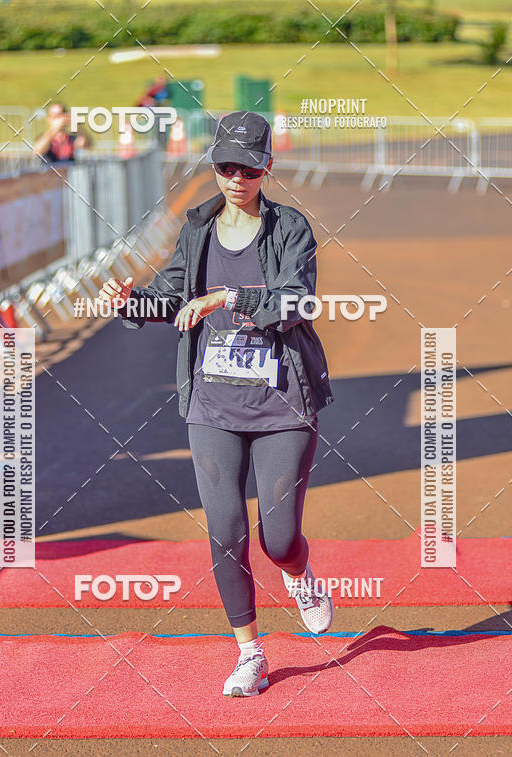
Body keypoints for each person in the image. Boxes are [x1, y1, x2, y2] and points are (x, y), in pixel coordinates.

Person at [99, 110, 334, 697]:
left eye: (249, 168)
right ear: (215, 167)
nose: (236, 179)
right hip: (212, 403)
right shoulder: (198, 229)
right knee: (225, 530)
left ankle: (299, 572)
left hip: (282, 404)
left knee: (277, 538)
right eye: (227, 167)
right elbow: (170, 296)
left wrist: (227, 297)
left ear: (267, 167)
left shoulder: (291, 229)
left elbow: (296, 301)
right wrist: (129, 302)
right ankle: (250, 653)